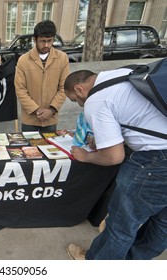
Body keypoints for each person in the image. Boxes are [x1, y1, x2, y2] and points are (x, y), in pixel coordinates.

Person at [64, 68, 167, 260]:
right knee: (163, 223)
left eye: (75, 100)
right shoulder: (124, 74)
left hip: (155, 163)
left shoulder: (95, 101)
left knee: (121, 226)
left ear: (79, 89)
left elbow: (113, 157)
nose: (79, 105)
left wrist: (86, 157)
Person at [14, 20, 70, 133]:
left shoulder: (62, 58)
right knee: (29, 149)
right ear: (35, 40)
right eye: (42, 41)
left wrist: (52, 109)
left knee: (49, 149)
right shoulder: (24, 60)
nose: (46, 45)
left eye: (50, 41)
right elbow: (20, 89)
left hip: (51, 118)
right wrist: (36, 110)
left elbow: (64, 87)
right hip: (29, 119)